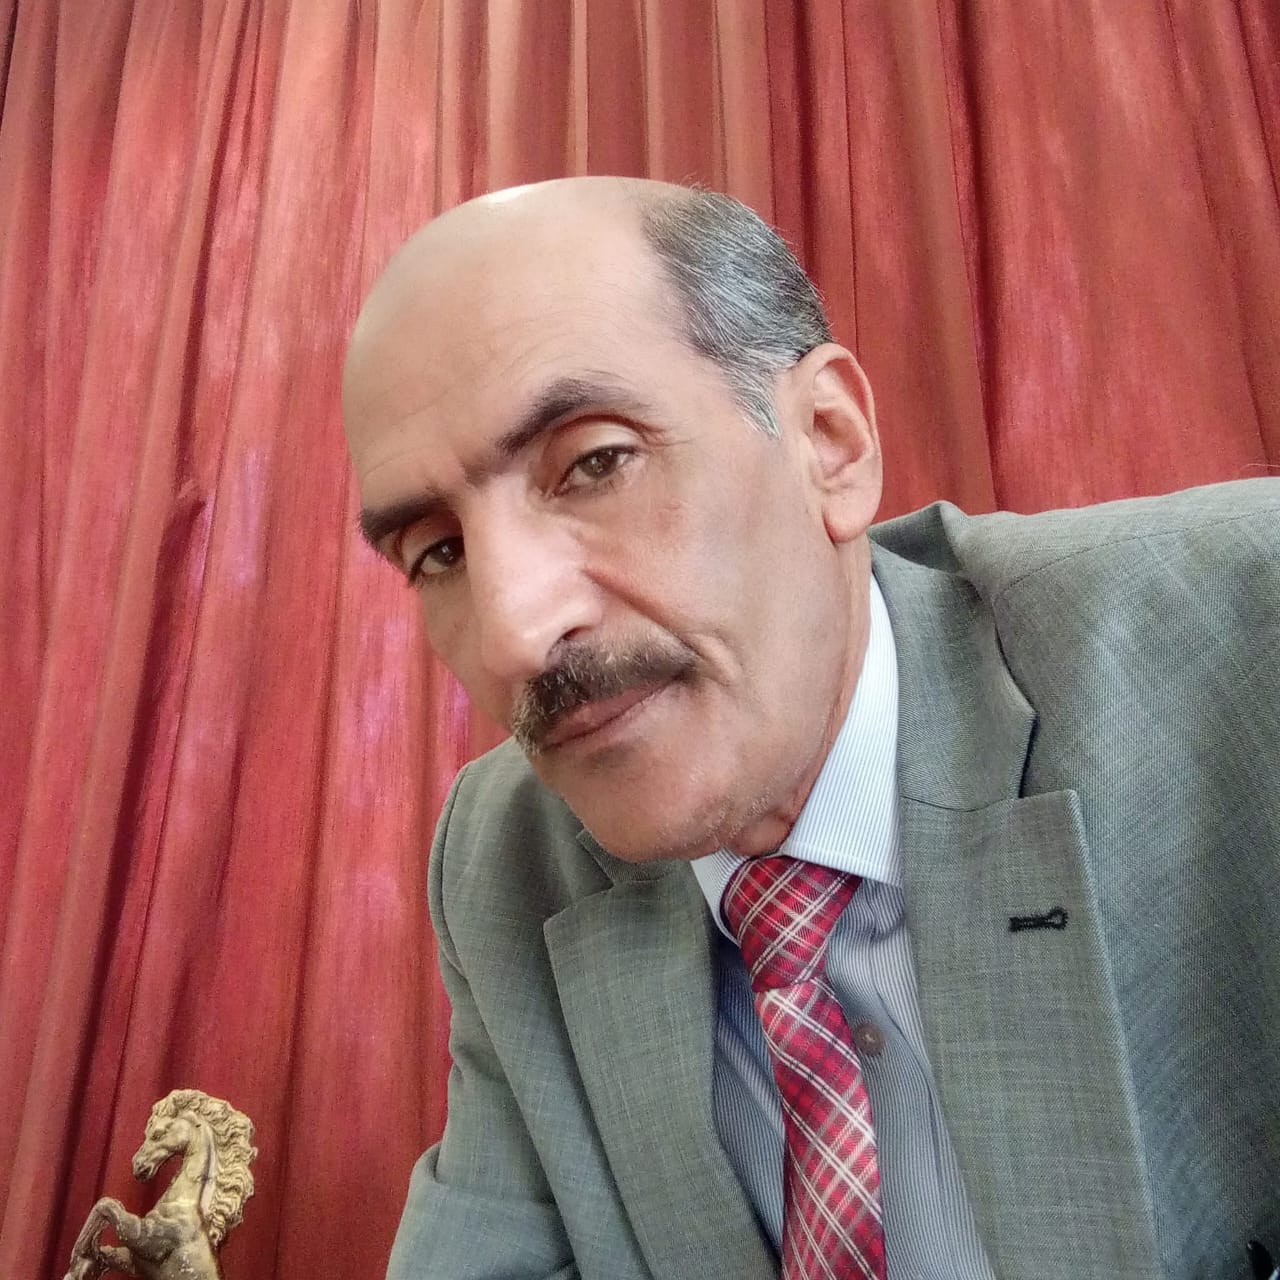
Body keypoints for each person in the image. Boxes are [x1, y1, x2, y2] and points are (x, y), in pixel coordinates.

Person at [342, 177, 1280, 1280]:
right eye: (439, 552)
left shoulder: (1241, 647)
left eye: (596, 462)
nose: (513, 634)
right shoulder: (504, 861)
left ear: (829, 442)